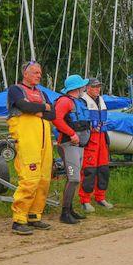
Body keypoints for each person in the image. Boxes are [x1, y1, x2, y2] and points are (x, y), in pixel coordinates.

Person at [7, 62, 55, 235]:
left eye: (40, 73)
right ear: (25, 74)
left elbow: (53, 114)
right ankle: (19, 219)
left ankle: (35, 215)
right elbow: (24, 106)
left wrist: (37, 110)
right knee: (30, 178)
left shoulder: (42, 92)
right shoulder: (15, 89)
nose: (39, 75)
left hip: (44, 140)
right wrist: (43, 108)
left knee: (43, 179)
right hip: (27, 138)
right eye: (35, 72)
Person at [52, 74, 91, 225]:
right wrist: (72, 133)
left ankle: (70, 209)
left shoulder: (78, 101)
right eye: (83, 86)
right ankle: (64, 213)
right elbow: (56, 119)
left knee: (73, 178)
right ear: (77, 88)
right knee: (74, 178)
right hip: (69, 144)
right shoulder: (65, 101)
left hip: (78, 145)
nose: (84, 88)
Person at [80, 78, 113, 212]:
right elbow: (80, 118)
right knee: (89, 170)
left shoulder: (100, 100)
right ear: (87, 88)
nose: (97, 89)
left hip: (102, 139)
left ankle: (100, 197)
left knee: (103, 169)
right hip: (90, 139)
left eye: (99, 86)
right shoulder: (82, 101)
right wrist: (89, 125)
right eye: (94, 87)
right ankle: (85, 200)